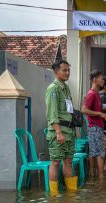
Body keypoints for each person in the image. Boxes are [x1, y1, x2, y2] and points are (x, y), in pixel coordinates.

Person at [45, 60, 77, 195]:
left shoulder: (66, 88)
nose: (67, 73)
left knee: (68, 161)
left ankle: (71, 193)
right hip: (59, 132)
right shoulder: (53, 88)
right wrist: (58, 132)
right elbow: (52, 114)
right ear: (56, 71)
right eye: (64, 70)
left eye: (68, 70)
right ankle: (53, 195)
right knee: (55, 162)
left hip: (69, 131)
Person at [81, 70, 106, 179]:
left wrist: (104, 110)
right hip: (95, 127)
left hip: (95, 127)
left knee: (93, 152)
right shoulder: (92, 94)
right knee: (101, 153)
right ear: (94, 80)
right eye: (101, 78)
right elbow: (84, 110)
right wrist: (100, 114)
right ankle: (101, 179)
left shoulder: (96, 93)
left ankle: (92, 177)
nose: (103, 80)